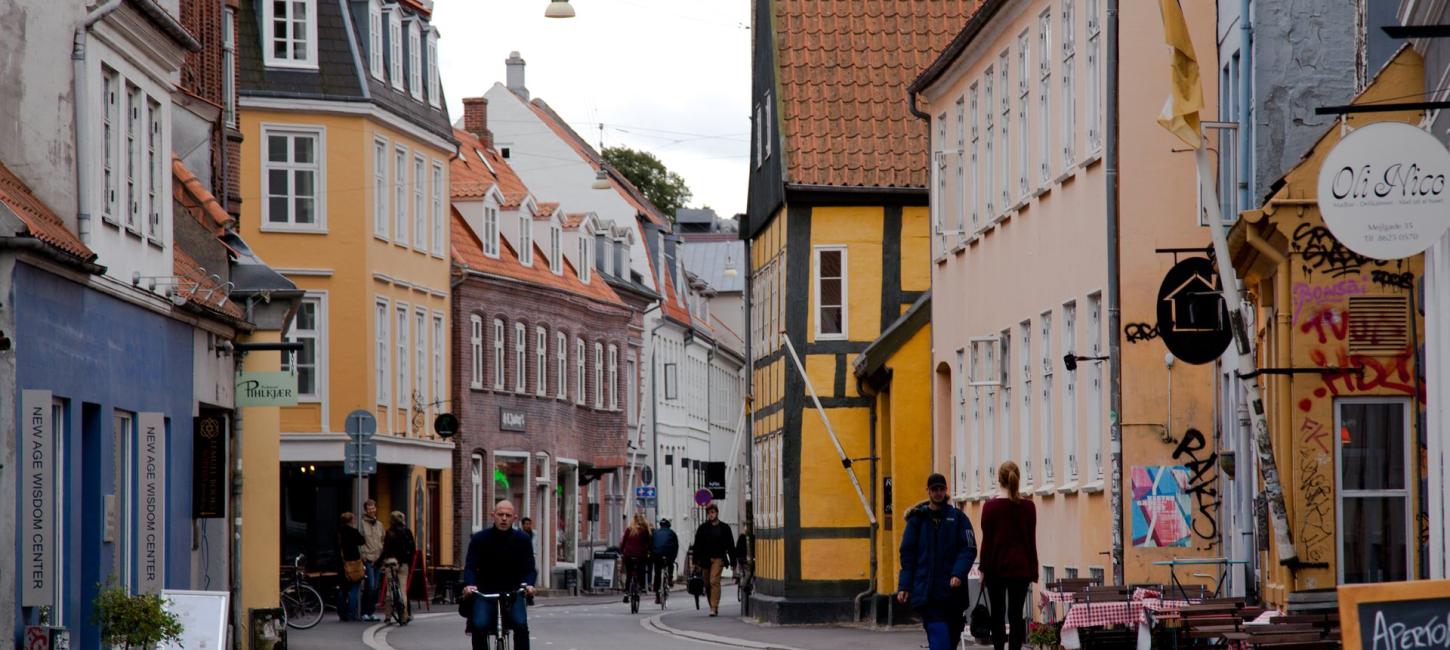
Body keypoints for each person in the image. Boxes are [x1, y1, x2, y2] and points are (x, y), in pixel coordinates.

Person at [897, 473, 977, 650]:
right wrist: (904, 586)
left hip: (953, 593)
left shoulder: (958, 519)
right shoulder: (917, 520)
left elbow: (968, 549)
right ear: (928, 491)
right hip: (928, 592)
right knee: (939, 638)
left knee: (951, 637)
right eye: (934, 490)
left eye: (941, 489)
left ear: (946, 490)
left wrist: (958, 573)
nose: (938, 493)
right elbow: (908, 555)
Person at [463, 500, 536, 650]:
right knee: (479, 625)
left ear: (514, 518)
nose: (504, 518)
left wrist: (529, 584)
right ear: (493, 516)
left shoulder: (522, 540)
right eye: (500, 514)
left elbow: (530, 568)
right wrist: (469, 585)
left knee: (521, 625)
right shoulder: (479, 539)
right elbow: (470, 567)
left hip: (513, 592)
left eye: (508, 515)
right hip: (485, 592)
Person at [980, 461, 1038, 650]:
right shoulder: (1029, 507)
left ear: (999, 479)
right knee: (1016, 615)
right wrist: (1033, 569)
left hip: (995, 567)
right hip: (1021, 568)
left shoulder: (990, 507)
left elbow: (987, 542)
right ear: (1018, 478)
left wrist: (982, 569)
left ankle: (999, 648)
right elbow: (1031, 540)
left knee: (997, 614)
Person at [692, 504, 734, 616]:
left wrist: (733, 562)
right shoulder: (702, 528)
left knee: (714, 581)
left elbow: (730, 545)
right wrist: (695, 561)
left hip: (718, 558)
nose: (711, 515)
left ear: (717, 513)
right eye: (709, 513)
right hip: (705, 559)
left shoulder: (724, 528)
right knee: (707, 584)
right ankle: (712, 605)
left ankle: (714, 607)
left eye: (713, 512)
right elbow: (697, 545)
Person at [381, 511, 417, 624]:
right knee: (402, 590)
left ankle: (387, 615)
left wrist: (380, 562)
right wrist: (409, 562)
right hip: (403, 563)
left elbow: (385, 549)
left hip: (391, 562)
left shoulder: (389, 532)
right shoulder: (407, 532)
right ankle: (404, 615)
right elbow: (412, 548)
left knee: (390, 588)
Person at [359, 500, 386, 622]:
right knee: (370, 586)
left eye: (373, 508)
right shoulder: (362, 524)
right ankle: (364, 612)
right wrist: (363, 556)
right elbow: (360, 542)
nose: (372, 510)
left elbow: (383, 541)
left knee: (375, 587)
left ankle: (371, 612)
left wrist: (381, 556)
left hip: (378, 560)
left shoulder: (379, 525)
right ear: (366, 510)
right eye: (369, 508)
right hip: (369, 559)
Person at [336, 512, 366, 622]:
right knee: (354, 589)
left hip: (342, 564)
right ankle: (351, 614)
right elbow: (362, 541)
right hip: (353, 563)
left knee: (342, 589)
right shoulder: (353, 532)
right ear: (351, 521)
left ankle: (341, 613)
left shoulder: (338, 532)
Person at [620, 513, 652, 603]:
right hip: (640, 555)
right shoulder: (645, 530)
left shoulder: (629, 529)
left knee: (629, 574)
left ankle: (626, 593)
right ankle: (640, 587)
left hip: (628, 555)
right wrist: (649, 552)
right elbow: (649, 544)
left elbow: (623, 542)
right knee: (641, 571)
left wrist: (622, 551)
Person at [651, 518, 680, 603]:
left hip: (657, 555)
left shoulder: (655, 533)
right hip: (668, 555)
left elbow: (651, 544)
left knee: (657, 573)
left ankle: (657, 595)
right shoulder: (672, 533)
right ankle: (670, 579)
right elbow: (676, 546)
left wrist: (652, 555)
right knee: (670, 564)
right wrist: (673, 558)